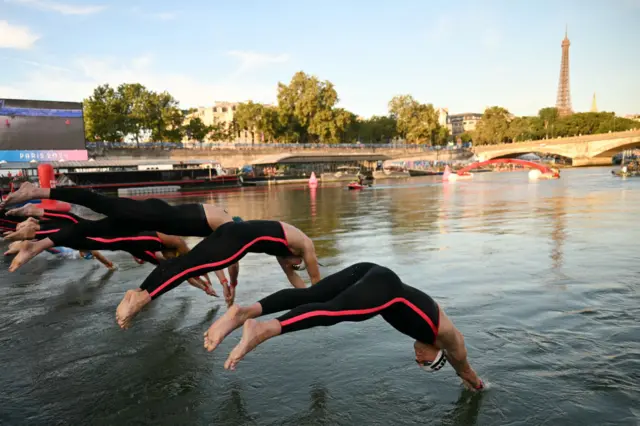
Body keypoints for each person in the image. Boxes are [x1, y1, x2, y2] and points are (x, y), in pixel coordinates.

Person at [202, 262, 485, 391]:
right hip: (386, 289)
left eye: (419, 362)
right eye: (425, 362)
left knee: (313, 295)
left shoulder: (429, 331)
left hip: (372, 272)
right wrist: (476, 384)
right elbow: (464, 365)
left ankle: (242, 312)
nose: (417, 359)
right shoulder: (448, 339)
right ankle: (263, 329)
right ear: (437, 354)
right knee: (332, 312)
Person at [115, 219, 322, 329]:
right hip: (240, 237)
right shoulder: (305, 245)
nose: (293, 265)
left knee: (185, 262)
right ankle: (142, 300)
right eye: (298, 264)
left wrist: (231, 285)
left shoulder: (283, 248)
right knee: (192, 268)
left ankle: (138, 291)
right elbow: (316, 282)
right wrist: (319, 303)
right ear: (300, 257)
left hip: (231, 230)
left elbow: (292, 278)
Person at [1, 182, 233, 238]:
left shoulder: (222, 229)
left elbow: (217, 256)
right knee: (97, 201)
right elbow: (228, 259)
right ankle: (36, 191)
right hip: (150, 214)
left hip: (146, 222)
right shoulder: (227, 224)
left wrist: (225, 282)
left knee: (90, 231)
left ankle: (37, 224)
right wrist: (231, 283)